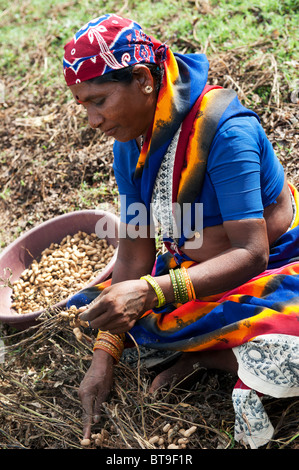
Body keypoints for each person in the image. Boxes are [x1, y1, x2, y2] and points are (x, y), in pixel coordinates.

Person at [63, 14, 299, 448]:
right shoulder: (130, 143)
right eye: (84, 106)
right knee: (105, 315)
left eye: (99, 100)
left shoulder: (226, 132)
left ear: (142, 79)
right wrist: (104, 357)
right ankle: (214, 348)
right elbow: (135, 254)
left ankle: (206, 355)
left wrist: (151, 293)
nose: (93, 120)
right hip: (190, 265)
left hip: (273, 262)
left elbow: (252, 253)